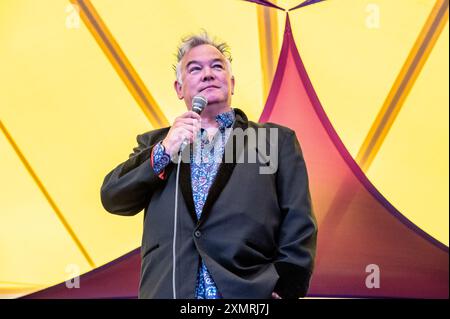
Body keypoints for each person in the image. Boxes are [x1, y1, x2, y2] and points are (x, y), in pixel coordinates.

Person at [100, 32, 317, 299]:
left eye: (217, 66)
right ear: (179, 89)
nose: (208, 74)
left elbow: (298, 221)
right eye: (195, 69)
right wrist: (165, 150)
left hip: (247, 294)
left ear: (232, 83)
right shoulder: (156, 144)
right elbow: (113, 197)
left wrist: (287, 287)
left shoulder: (274, 140)